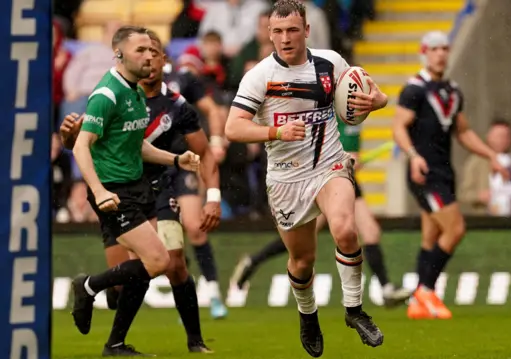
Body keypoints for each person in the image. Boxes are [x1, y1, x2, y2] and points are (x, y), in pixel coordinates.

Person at [225, 1, 387, 356]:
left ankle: (355, 310)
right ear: (269, 33)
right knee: (303, 261)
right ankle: (308, 313)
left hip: (330, 164)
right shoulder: (260, 75)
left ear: (307, 31)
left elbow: (373, 97)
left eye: (293, 30)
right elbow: (232, 128)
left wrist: (377, 101)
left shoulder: (331, 62)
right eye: (278, 31)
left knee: (345, 229)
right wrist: (275, 133)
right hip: (286, 179)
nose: (285, 38)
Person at [61, 31, 222, 353]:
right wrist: (97, 189)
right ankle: (89, 285)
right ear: (119, 55)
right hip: (116, 192)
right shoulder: (107, 94)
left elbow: (139, 146)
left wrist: (177, 159)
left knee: (157, 266)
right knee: (156, 262)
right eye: (141, 50)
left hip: (143, 188)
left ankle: (118, 343)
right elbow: (81, 146)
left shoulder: (138, 93)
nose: (149, 56)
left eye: (153, 50)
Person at [229, 117, 412, 308]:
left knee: (370, 231)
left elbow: (351, 149)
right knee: (303, 240)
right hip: (325, 178)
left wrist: (352, 159)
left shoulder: (356, 116)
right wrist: (341, 158)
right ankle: (253, 262)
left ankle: (385, 289)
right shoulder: (330, 109)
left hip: (345, 177)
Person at [392, 31, 508, 320]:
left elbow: (464, 132)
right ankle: (427, 291)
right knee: (455, 229)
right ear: (424, 52)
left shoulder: (452, 91)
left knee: (430, 237)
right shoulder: (414, 89)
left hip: (445, 170)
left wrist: (491, 155)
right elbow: (398, 127)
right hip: (424, 173)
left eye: (445, 48)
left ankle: (419, 304)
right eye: (434, 49)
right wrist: (414, 156)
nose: (440, 53)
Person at [164, 57, 229, 319]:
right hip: (152, 166)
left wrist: (215, 142)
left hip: (184, 162)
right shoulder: (132, 85)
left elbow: (211, 110)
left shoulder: (183, 79)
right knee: (170, 246)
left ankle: (213, 294)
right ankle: (185, 297)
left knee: (194, 227)